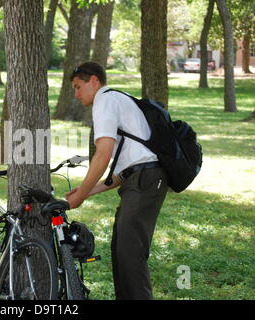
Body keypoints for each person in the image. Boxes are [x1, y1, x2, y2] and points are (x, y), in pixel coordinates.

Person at [65, 61, 169, 300]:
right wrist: (87, 191)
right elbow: (123, 173)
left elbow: (102, 155)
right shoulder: (116, 100)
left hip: (146, 180)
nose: (76, 94)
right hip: (141, 179)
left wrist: (80, 197)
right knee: (122, 251)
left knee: (130, 254)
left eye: (78, 86)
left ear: (94, 81)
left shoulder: (105, 101)